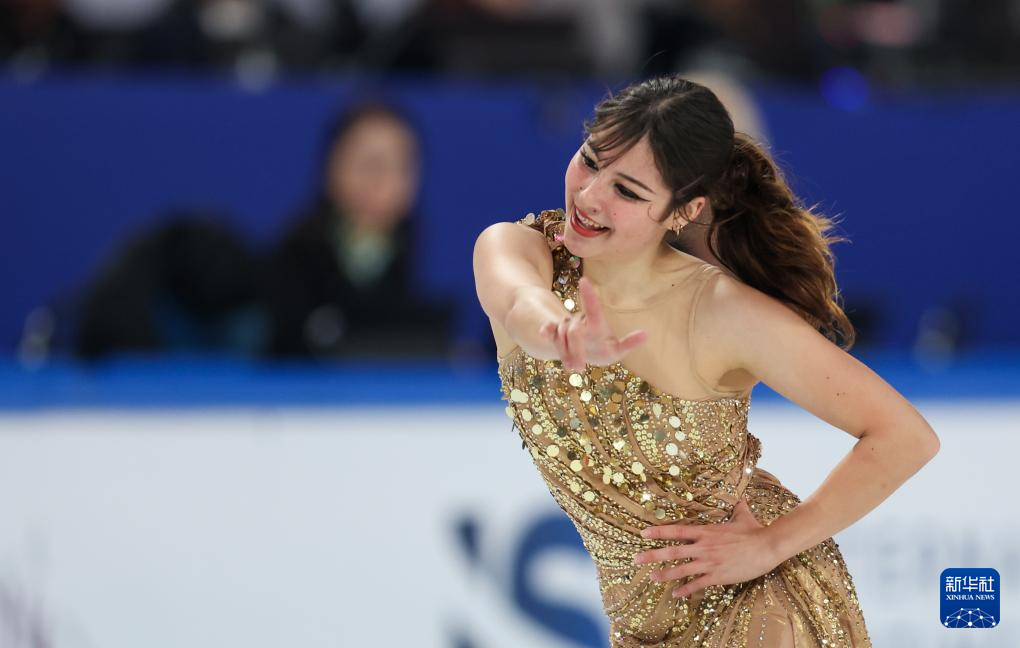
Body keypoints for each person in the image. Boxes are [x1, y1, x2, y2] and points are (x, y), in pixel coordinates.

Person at [472, 76, 939, 647]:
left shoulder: (722, 312)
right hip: (639, 623)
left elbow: (905, 436)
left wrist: (772, 543)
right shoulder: (518, 248)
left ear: (683, 210)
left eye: (627, 191)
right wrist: (559, 331)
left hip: (756, 609)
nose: (590, 195)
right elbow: (519, 301)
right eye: (590, 160)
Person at [264, 100, 454, 359]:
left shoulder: (405, 240)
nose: (386, 182)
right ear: (333, 168)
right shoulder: (300, 248)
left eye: (402, 167)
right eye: (372, 165)